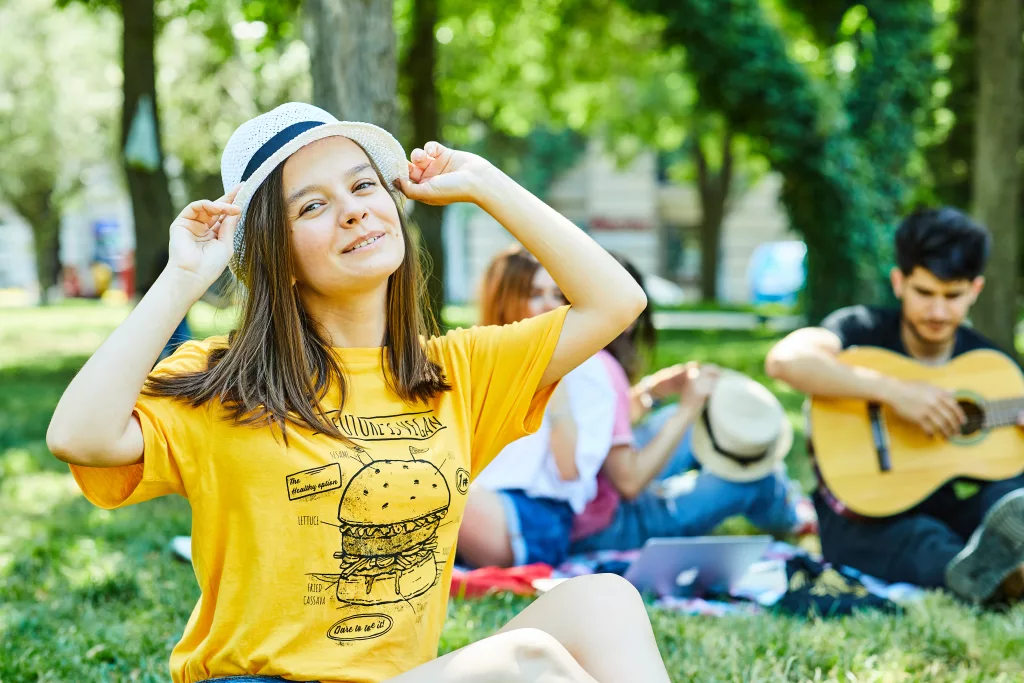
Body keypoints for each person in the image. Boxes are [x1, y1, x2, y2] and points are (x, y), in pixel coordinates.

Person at [46, 102, 670, 683]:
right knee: (525, 663)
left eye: (364, 184)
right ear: (278, 255)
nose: (352, 209)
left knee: (603, 600)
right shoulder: (226, 382)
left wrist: (483, 182)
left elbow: (617, 302)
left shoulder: (457, 372)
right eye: (311, 207)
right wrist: (181, 278)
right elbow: (79, 435)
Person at [765, 206, 1024, 605]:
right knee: (922, 541)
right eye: (925, 293)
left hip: (951, 514)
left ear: (975, 290)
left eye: (953, 296)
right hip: (863, 521)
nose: (938, 311)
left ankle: (997, 570)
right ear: (899, 282)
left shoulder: (991, 367)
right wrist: (895, 393)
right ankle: (997, 577)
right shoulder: (860, 329)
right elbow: (785, 361)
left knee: (1012, 495)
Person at [569, 255, 815, 555]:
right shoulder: (604, 369)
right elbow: (629, 484)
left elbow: (604, 428)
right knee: (754, 477)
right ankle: (793, 515)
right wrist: (689, 407)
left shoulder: (574, 356)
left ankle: (783, 499)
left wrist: (652, 392)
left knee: (685, 423)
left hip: (585, 506)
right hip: (611, 526)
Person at [457, 246, 616, 569]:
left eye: (558, 295)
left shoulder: (587, 367)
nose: (550, 305)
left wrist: (552, 383)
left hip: (536, 520)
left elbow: (570, 471)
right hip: (475, 504)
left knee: (433, 481)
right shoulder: (474, 356)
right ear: (503, 299)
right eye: (535, 294)